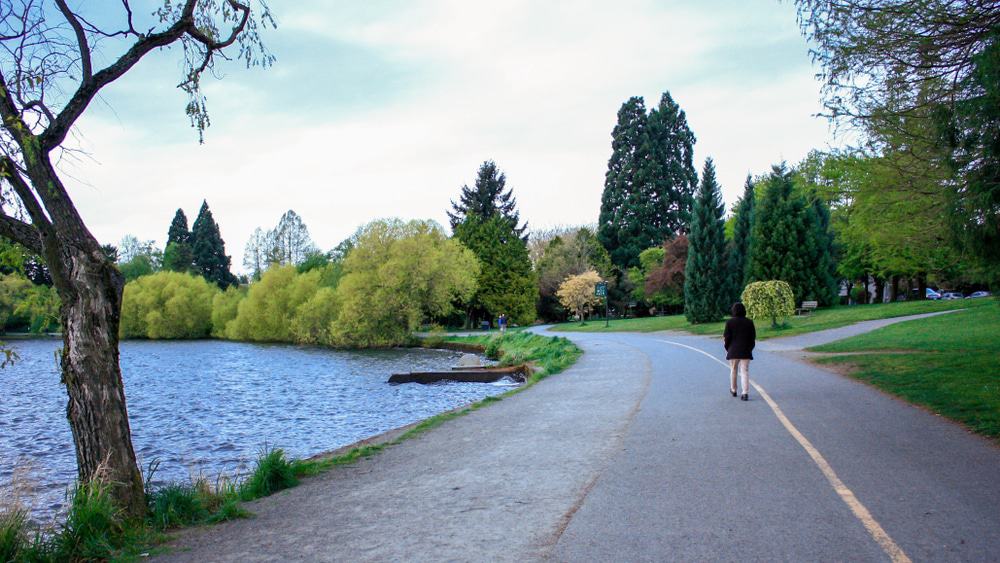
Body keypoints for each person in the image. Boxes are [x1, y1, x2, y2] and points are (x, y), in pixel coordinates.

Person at [723, 302, 756, 401]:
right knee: (744, 371)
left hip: (733, 350)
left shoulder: (729, 322)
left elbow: (726, 338)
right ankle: (745, 393)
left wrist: (728, 348)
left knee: (733, 370)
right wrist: (750, 348)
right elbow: (752, 338)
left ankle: (733, 390)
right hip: (746, 350)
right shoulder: (749, 322)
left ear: (733, 311)